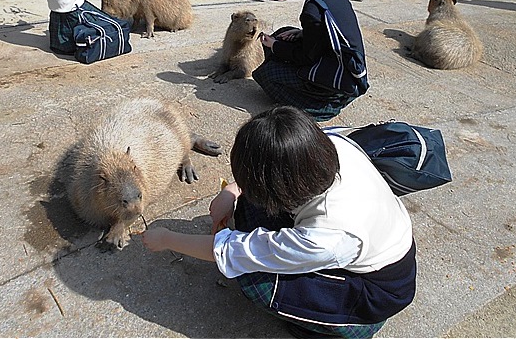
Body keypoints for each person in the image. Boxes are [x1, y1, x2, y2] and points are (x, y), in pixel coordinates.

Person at [141, 106, 417, 339]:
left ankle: (336, 327)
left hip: (375, 293)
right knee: (251, 207)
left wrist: (165, 239)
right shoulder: (330, 145)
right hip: (376, 244)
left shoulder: (326, 236)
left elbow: (229, 252)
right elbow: (274, 169)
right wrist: (232, 191)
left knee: (253, 278)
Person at [252, 0, 367, 122]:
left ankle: (321, 108)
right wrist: (301, 34)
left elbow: (306, 57)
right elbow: (325, 32)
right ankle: (315, 93)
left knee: (265, 74)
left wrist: (275, 46)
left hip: (339, 78)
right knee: (283, 33)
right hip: (350, 68)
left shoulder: (312, 9)